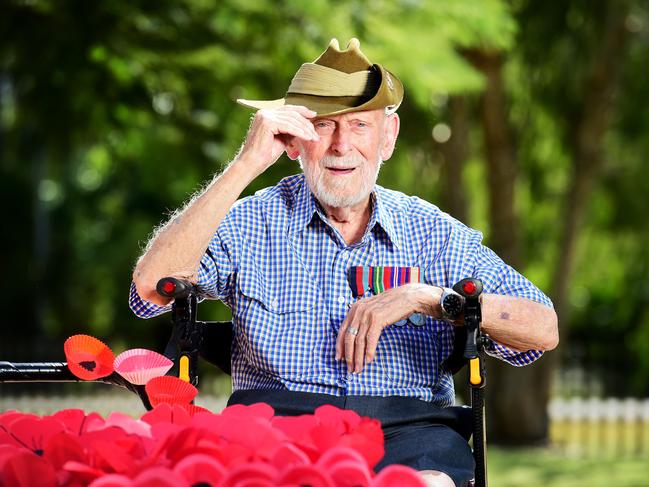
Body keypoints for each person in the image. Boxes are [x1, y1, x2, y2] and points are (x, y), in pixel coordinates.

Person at [129, 38, 559, 487]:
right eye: (325, 125)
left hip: (411, 434)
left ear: (387, 138)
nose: (340, 145)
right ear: (294, 140)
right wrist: (245, 165)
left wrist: (429, 298)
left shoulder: (433, 232)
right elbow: (150, 290)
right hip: (275, 431)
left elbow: (542, 329)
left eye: (358, 125)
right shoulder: (249, 221)